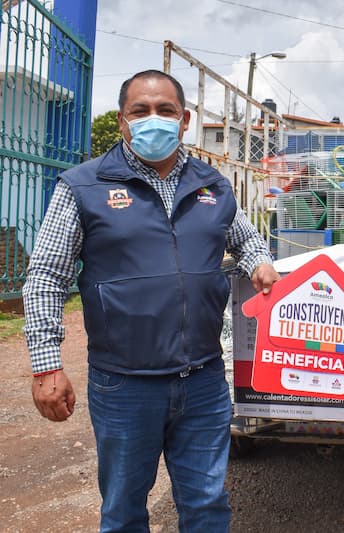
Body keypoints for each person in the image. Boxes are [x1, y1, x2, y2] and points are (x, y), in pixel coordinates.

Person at [22, 70, 280, 532]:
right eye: (140, 111)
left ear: (185, 121)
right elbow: (45, 277)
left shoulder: (213, 187)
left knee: (206, 504)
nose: (153, 120)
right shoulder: (83, 187)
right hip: (125, 386)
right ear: (122, 121)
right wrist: (46, 366)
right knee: (123, 511)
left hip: (203, 380)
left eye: (165, 111)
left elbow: (246, 240)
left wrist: (259, 262)